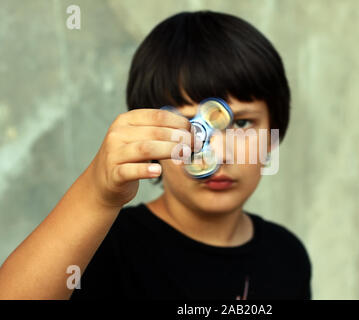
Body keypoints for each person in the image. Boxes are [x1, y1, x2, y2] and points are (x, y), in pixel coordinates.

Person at [0, 10, 311, 300]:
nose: (218, 152)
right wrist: (99, 195)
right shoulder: (101, 245)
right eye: (190, 125)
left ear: (272, 136)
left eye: (242, 123)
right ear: (150, 134)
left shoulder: (287, 256)